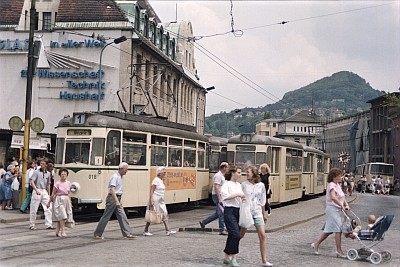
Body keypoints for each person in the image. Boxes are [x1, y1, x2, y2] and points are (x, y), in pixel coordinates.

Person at [311, 168, 350, 258]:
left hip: (337, 210)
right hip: (332, 209)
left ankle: (316, 244)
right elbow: (333, 197)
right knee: (338, 230)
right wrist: (341, 205)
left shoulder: (337, 185)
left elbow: (342, 197)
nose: (341, 177)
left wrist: (346, 204)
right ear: (334, 177)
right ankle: (339, 251)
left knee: (329, 230)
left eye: (341, 175)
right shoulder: (332, 185)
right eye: (339, 176)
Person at [94, 162, 135, 239]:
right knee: (106, 216)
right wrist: (116, 201)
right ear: (122, 169)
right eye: (126, 169)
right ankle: (97, 233)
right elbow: (112, 189)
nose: (127, 171)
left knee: (122, 215)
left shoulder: (121, 177)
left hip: (117, 198)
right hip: (113, 198)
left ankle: (127, 233)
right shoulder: (115, 177)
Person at [241, 166, 272, 267]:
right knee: (240, 235)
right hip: (247, 213)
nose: (246, 174)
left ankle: (264, 260)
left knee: (262, 235)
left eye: (248, 172)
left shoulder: (261, 185)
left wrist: (264, 214)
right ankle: (232, 253)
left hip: (257, 212)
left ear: (254, 173)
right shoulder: (244, 185)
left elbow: (262, 200)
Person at [220, 165, 245, 267]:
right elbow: (225, 197)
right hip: (229, 210)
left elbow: (240, 196)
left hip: (238, 210)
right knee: (236, 234)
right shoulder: (226, 184)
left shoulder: (239, 185)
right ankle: (233, 257)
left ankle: (226, 257)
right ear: (233, 173)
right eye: (238, 172)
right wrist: (237, 194)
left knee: (232, 234)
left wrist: (243, 198)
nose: (240, 174)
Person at [143, 166, 177, 236]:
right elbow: (152, 190)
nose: (165, 173)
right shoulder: (156, 180)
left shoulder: (161, 180)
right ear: (160, 173)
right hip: (155, 199)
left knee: (165, 213)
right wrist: (151, 200)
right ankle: (145, 230)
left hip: (161, 200)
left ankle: (168, 230)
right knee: (152, 214)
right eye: (164, 172)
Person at [199, 162, 229, 235]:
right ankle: (222, 229)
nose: (228, 169)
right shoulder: (218, 176)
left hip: (220, 195)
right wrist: (219, 198)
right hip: (217, 195)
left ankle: (204, 222)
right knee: (222, 212)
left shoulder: (222, 175)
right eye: (227, 167)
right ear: (224, 167)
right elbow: (216, 187)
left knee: (218, 213)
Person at [47, 168, 74, 237]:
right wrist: (49, 202)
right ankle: (63, 231)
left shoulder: (68, 183)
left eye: (65, 174)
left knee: (61, 216)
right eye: (62, 174)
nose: (63, 175)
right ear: (60, 175)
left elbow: (69, 193)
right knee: (62, 216)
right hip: (59, 200)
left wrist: (70, 203)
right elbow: (53, 193)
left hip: (66, 200)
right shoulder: (57, 183)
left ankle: (57, 231)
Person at [29, 159, 54, 230]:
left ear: (46, 165)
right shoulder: (36, 172)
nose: (41, 165)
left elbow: (48, 184)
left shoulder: (48, 173)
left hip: (44, 190)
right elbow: (32, 181)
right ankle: (32, 224)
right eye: (41, 163)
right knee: (34, 207)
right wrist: (36, 189)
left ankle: (49, 224)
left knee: (49, 207)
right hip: (37, 189)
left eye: (43, 164)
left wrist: (48, 194)